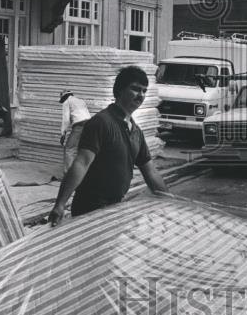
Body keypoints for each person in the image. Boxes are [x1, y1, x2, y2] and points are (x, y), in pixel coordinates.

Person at [47, 66, 168, 226]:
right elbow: (81, 163)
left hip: (115, 209)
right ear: (119, 90)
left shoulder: (136, 132)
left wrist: (169, 201)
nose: (141, 95)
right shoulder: (101, 122)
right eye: (135, 89)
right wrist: (60, 204)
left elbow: (150, 171)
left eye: (144, 91)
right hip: (89, 210)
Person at [59, 90, 92, 175]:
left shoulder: (67, 102)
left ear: (64, 97)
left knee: (69, 149)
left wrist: (63, 134)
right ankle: (84, 172)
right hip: (89, 124)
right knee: (84, 148)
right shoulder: (81, 101)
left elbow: (66, 120)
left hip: (79, 125)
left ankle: (68, 175)